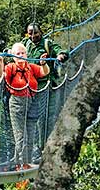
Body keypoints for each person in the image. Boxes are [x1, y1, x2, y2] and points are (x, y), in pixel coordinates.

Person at [0, 42, 49, 169]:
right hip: (17, 103)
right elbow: (0, 75)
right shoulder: (10, 67)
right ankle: (19, 164)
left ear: (26, 54)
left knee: (31, 135)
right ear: (13, 56)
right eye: (18, 53)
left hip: (32, 102)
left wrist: (43, 63)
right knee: (21, 137)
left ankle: (26, 163)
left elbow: (44, 72)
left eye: (23, 53)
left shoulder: (30, 67)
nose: (21, 55)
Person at [20, 23, 68, 151]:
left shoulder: (47, 44)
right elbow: (14, 49)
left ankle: (44, 147)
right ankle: (31, 148)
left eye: (35, 33)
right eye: (30, 33)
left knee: (45, 117)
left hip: (45, 85)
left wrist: (60, 56)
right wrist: (7, 52)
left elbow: (62, 51)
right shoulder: (26, 43)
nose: (32, 36)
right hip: (29, 86)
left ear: (40, 32)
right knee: (30, 118)